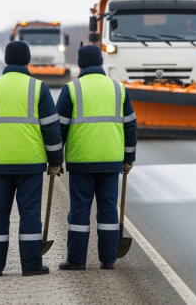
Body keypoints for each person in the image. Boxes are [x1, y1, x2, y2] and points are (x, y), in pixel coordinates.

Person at [0, 41, 64, 277]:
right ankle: (31, 265)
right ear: (27, 61)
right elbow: (51, 129)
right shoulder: (37, 88)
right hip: (30, 164)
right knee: (30, 214)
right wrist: (55, 161)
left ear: (5, 60)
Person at [56, 45, 137, 270]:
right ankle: (108, 260)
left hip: (81, 161)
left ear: (80, 66)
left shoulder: (71, 89)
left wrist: (54, 160)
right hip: (111, 161)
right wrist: (128, 158)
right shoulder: (119, 89)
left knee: (80, 211)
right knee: (109, 209)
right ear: (101, 63)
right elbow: (130, 126)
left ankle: (76, 260)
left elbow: (59, 128)